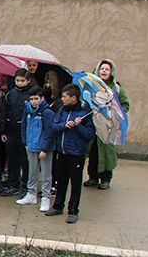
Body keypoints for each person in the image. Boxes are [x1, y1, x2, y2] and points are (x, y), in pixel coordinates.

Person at [45, 84, 95, 224]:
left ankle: (73, 210)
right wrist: (64, 126)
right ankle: (58, 205)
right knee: (61, 180)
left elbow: (90, 135)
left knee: (75, 182)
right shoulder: (62, 110)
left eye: (64, 97)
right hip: (62, 151)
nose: (62, 99)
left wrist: (79, 126)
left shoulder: (85, 113)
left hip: (76, 153)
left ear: (73, 98)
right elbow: (54, 127)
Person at [85, 59, 130, 190]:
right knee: (93, 152)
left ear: (111, 72)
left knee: (107, 153)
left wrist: (114, 113)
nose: (104, 71)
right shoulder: (91, 86)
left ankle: (106, 178)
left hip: (109, 126)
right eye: (102, 68)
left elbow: (125, 105)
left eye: (106, 69)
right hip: (94, 124)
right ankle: (93, 177)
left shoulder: (116, 88)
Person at [17, 86, 55, 210]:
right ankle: (31, 194)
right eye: (32, 99)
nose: (34, 101)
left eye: (36, 98)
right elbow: (23, 126)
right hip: (31, 145)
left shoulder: (47, 112)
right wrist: (25, 142)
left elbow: (50, 132)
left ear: (42, 98)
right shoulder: (27, 111)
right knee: (32, 171)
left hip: (43, 148)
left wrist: (45, 149)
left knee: (45, 174)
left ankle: (45, 197)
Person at [0, 68, 33, 197]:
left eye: (22, 80)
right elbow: (4, 112)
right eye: (17, 80)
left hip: (25, 133)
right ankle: (13, 183)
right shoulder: (10, 94)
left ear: (28, 81)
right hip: (11, 131)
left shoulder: (31, 94)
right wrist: (3, 130)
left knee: (25, 161)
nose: (19, 83)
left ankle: (25, 186)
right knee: (12, 159)